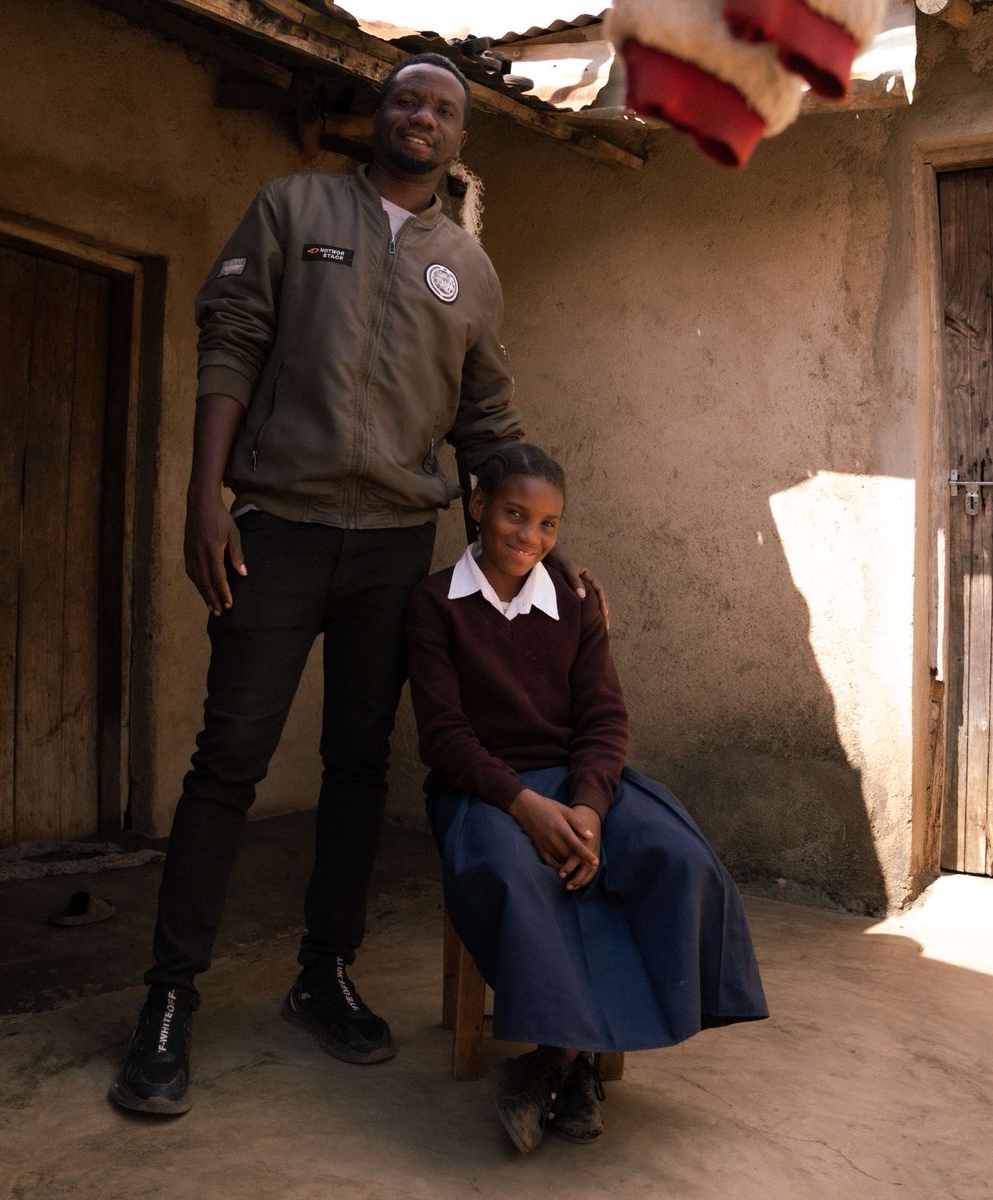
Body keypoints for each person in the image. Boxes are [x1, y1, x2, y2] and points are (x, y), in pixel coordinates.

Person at [110, 54, 599, 1117]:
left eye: (444, 109)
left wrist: (538, 548)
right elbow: (231, 340)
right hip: (274, 528)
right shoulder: (294, 208)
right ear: (377, 116)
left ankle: (322, 971)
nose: (423, 117)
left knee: (358, 766)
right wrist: (205, 495)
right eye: (408, 99)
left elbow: (488, 425)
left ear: (459, 139)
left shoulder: (467, 269)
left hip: (391, 549)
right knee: (228, 758)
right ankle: (168, 998)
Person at [404, 443, 769, 1153]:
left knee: (674, 856)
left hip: (580, 785)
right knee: (514, 876)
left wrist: (590, 809)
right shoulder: (433, 604)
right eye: (515, 514)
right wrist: (525, 807)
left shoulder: (574, 599)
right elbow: (444, 736)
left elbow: (605, 720)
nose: (530, 537)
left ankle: (554, 1063)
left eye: (549, 524)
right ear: (477, 504)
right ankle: (568, 1071)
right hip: (482, 789)